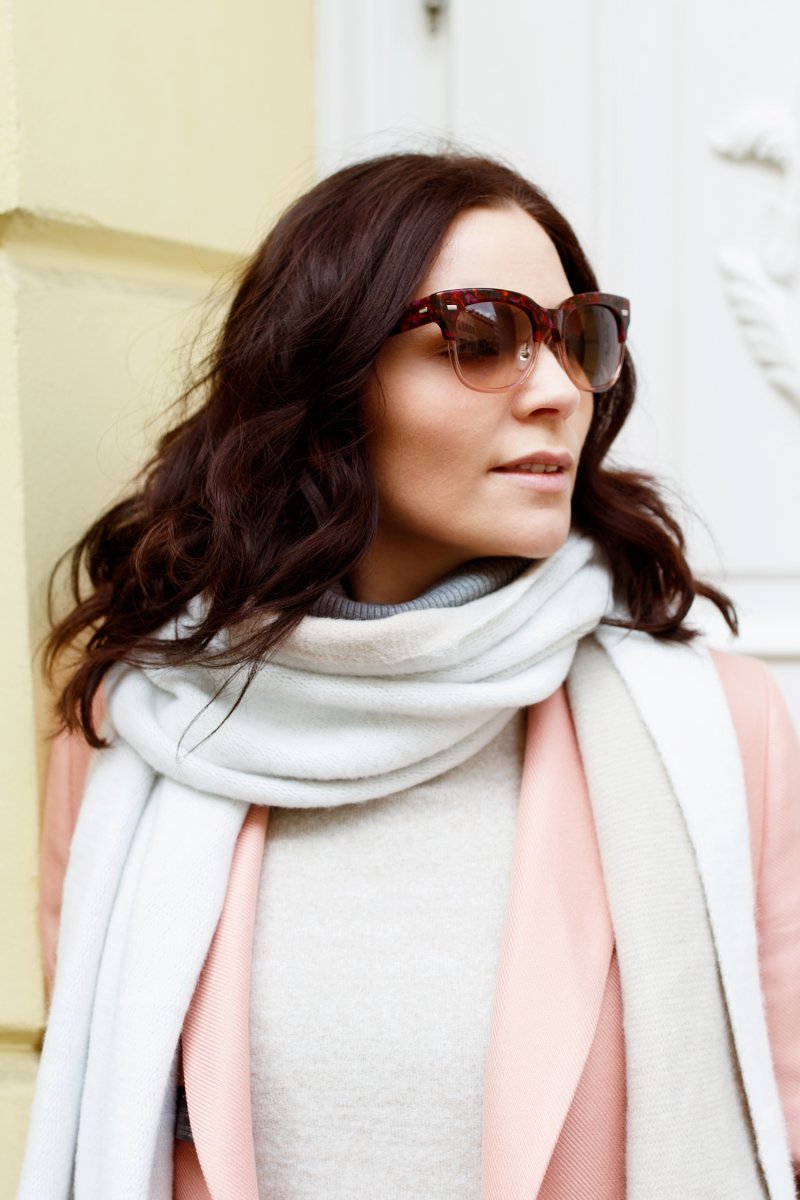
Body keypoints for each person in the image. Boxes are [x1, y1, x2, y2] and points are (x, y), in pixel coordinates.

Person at [18, 150, 800, 1200]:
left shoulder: (717, 728)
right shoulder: (141, 725)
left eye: (577, 339)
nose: (558, 393)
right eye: (480, 338)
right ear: (328, 377)